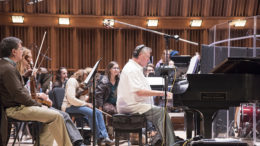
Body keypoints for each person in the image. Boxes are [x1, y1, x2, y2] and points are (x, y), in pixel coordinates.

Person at [0, 37, 72, 146]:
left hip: (16, 106)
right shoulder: (8, 68)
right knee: (57, 116)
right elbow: (18, 94)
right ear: (13, 52)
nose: (22, 51)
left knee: (50, 118)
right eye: (20, 49)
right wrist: (37, 104)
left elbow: (15, 89)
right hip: (14, 109)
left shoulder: (6, 66)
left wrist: (24, 77)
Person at [16, 47, 86, 146]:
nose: (31, 61)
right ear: (23, 58)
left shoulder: (27, 74)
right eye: (29, 58)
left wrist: (39, 94)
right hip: (25, 106)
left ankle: (77, 142)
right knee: (60, 115)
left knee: (64, 115)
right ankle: (75, 143)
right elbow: (21, 93)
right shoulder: (17, 74)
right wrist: (39, 94)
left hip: (33, 103)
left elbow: (30, 92)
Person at [117, 44, 177, 146]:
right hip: (132, 106)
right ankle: (171, 144)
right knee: (162, 112)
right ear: (141, 55)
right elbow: (139, 91)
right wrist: (162, 93)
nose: (149, 60)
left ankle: (164, 141)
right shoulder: (132, 69)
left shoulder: (134, 67)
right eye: (148, 57)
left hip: (135, 104)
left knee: (160, 112)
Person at [61, 68, 114, 145]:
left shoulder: (81, 84)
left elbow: (81, 98)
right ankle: (99, 138)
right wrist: (85, 104)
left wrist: (84, 95)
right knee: (91, 112)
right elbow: (71, 99)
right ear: (84, 75)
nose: (89, 80)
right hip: (69, 106)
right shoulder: (72, 81)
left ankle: (105, 137)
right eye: (88, 78)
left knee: (98, 112)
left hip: (76, 106)